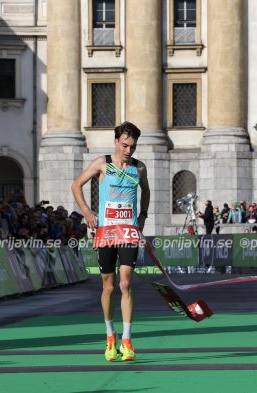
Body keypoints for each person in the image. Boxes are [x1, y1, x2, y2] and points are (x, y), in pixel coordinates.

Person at [72, 121, 150, 362]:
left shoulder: (139, 168)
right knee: (108, 287)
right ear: (116, 141)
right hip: (106, 233)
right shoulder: (102, 163)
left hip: (128, 232)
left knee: (126, 284)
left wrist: (142, 216)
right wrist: (86, 212)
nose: (129, 150)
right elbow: (76, 185)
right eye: (125, 145)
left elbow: (145, 191)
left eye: (133, 147)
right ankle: (110, 336)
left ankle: (127, 340)